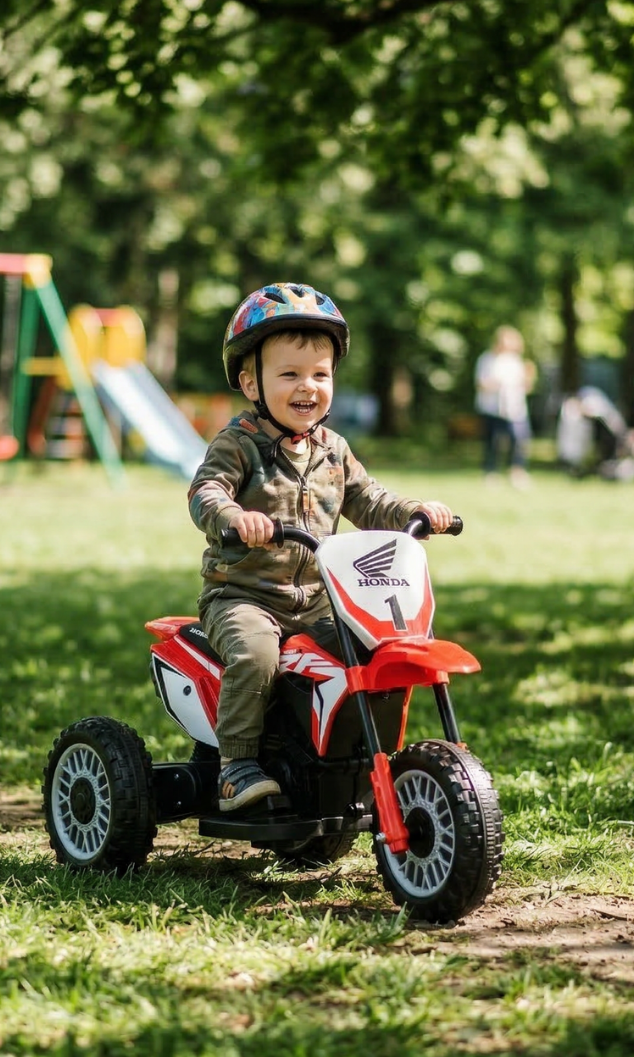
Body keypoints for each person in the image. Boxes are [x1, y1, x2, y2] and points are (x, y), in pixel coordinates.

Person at [187, 283, 453, 812]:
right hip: (243, 597)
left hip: (316, 601)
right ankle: (237, 765)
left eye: (320, 374)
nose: (307, 386)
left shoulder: (334, 450)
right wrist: (234, 516)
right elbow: (205, 491)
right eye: (289, 374)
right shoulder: (238, 443)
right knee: (255, 654)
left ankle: (355, 762)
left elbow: (370, 500)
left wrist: (414, 513)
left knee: (379, 649)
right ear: (250, 382)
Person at [475, 325, 535, 488]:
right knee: (493, 442)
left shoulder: (515, 361)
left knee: (519, 441)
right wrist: (498, 384)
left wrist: (528, 378)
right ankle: (490, 473)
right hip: (493, 408)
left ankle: (517, 472)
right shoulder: (486, 359)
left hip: (514, 409)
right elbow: (481, 384)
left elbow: (525, 387)